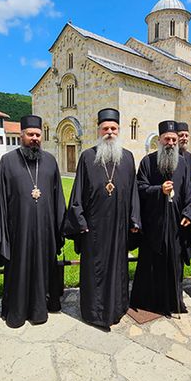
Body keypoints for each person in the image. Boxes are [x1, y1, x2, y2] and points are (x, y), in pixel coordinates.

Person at [64, 108, 141, 328]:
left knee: (118, 269)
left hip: (119, 227)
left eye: (113, 128)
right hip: (93, 229)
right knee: (94, 271)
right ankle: (93, 313)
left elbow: (133, 190)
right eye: (105, 128)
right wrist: (80, 222)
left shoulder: (127, 157)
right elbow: (77, 191)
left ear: (119, 130)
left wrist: (135, 219)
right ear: (99, 131)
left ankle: (117, 308)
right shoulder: (88, 156)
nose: (110, 132)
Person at [0, 115, 66, 328]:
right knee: (19, 270)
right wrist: (0, 232)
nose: (34, 138)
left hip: (45, 231)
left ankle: (42, 310)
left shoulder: (50, 161)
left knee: (44, 269)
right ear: (21, 135)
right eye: (30, 134)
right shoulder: (7, 161)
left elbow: (58, 196)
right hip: (17, 232)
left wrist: (60, 228)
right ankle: (17, 312)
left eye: (37, 135)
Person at [129, 120, 191, 316]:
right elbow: (139, 189)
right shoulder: (147, 162)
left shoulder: (182, 163)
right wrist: (159, 190)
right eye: (167, 139)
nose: (171, 143)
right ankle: (149, 302)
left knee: (173, 262)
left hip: (176, 223)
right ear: (159, 140)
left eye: (174, 139)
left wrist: (188, 213)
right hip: (153, 223)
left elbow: (188, 192)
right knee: (151, 262)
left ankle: (172, 302)